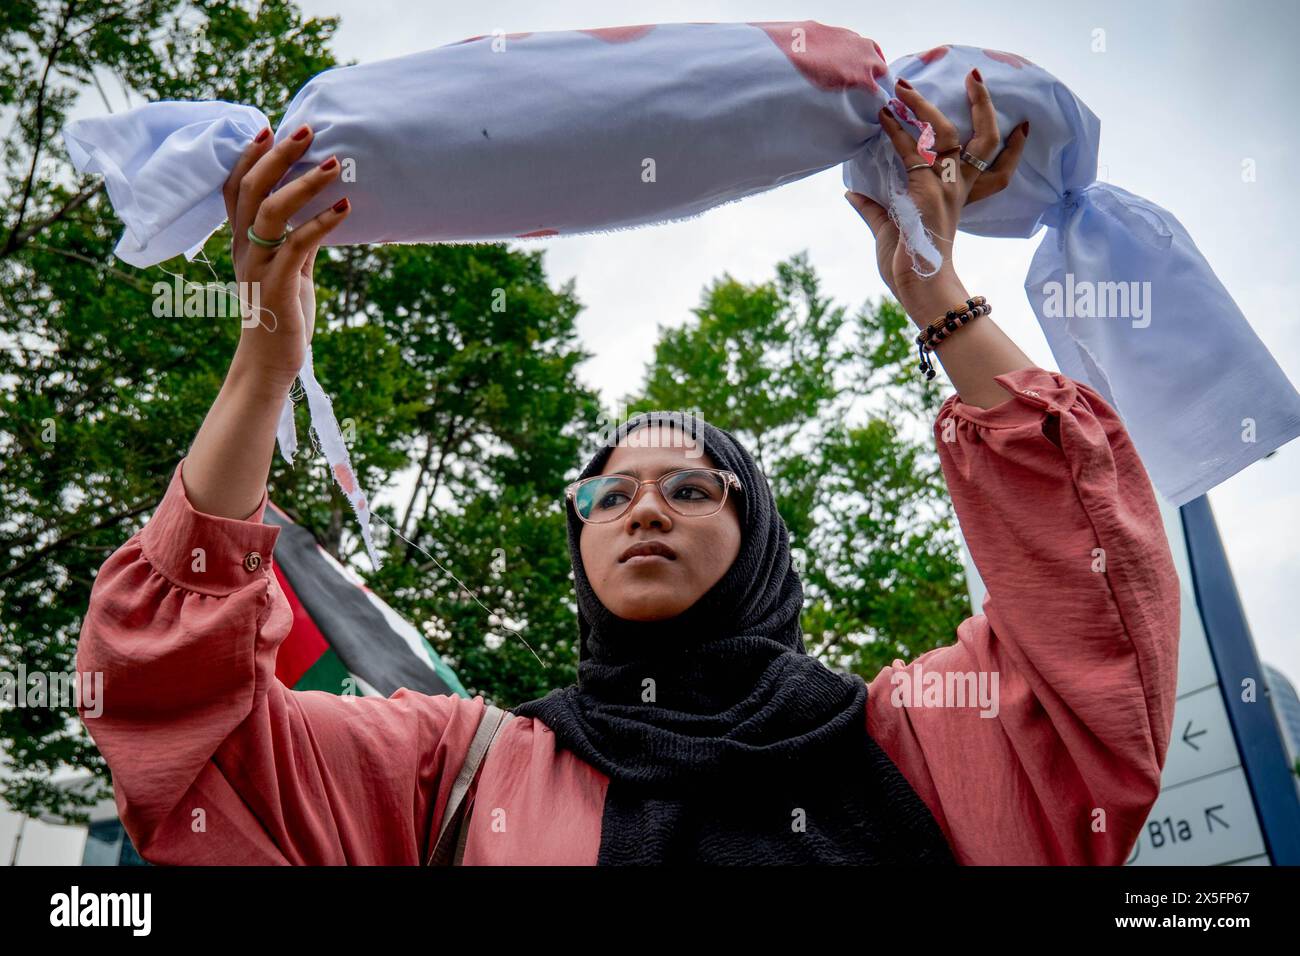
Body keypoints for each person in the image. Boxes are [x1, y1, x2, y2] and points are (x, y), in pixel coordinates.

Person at [75, 68, 1180, 864]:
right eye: (608, 491)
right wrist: (266, 359)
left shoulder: (925, 737)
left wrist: (935, 290)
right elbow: (179, 714)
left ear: (760, 543)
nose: (642, 505)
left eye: (691, 485)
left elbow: (1094, 618)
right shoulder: (460, 774)